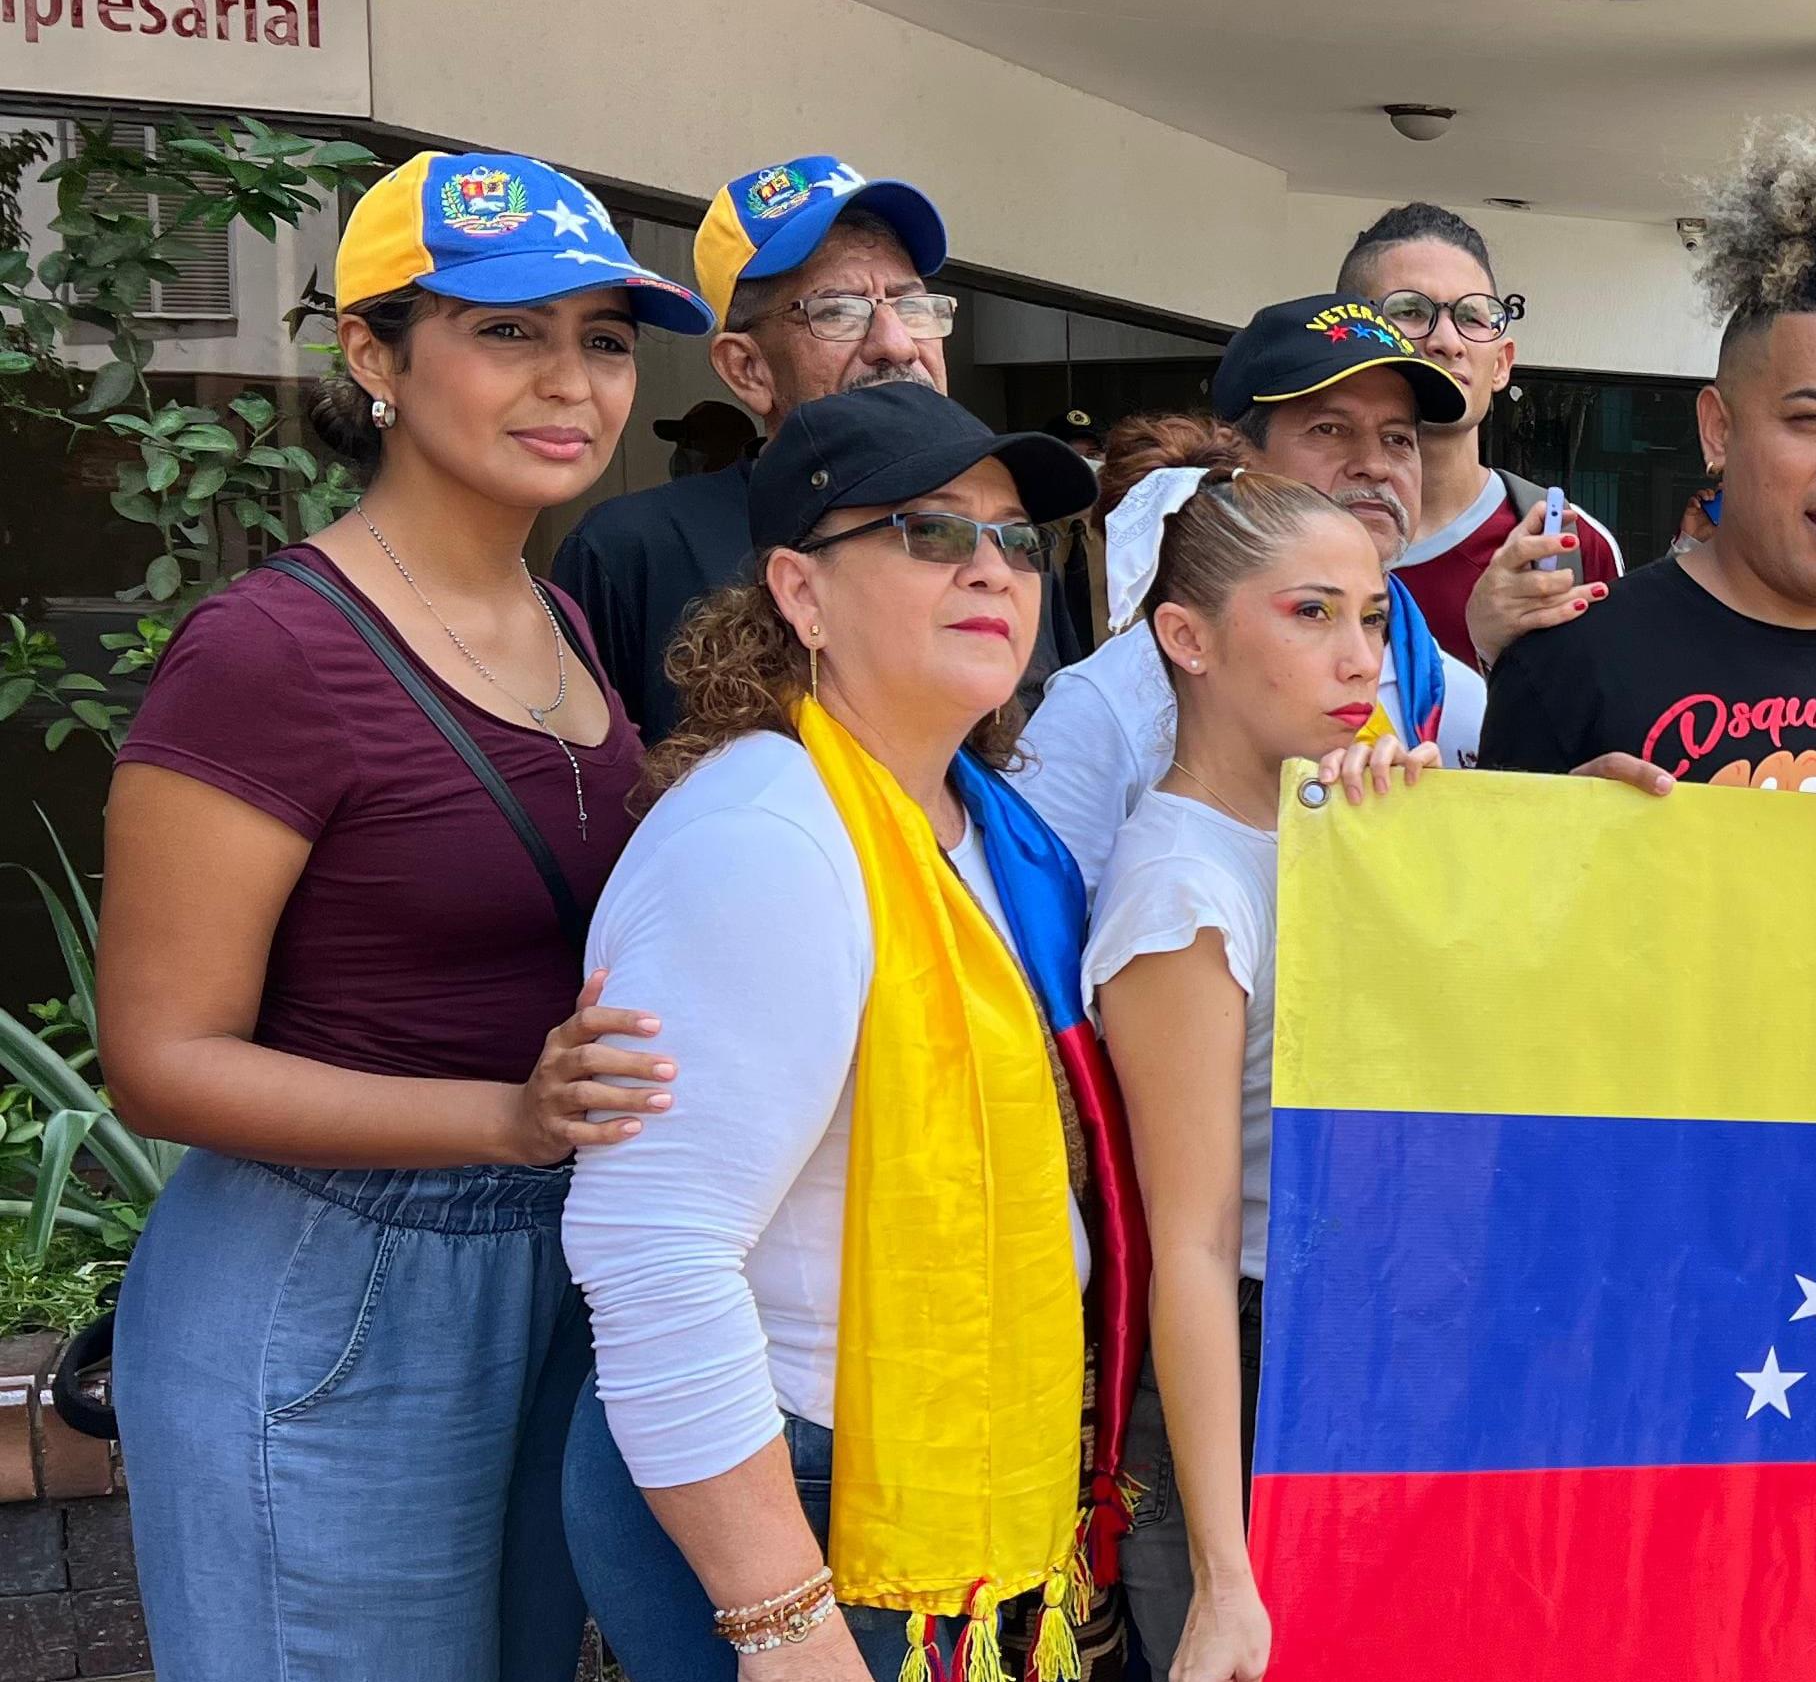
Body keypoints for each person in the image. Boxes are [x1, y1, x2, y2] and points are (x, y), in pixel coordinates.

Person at [97, 150, 704, 1682]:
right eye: (508, 331)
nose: (571, 380)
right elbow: (160, 1059)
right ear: (374, 355)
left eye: (605, 339)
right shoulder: (268, 652)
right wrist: (507, 1117)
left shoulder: (558, 620)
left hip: (542, 1271)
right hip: (326, 1290)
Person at [559, 384, 1124, 1681]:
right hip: (794, 1495)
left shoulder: (991, 831)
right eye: (933, 531)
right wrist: (783, 1621)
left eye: (1016, 540)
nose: (992, 567)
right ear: (800, 594)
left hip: (933, 1461)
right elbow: (654, 1254)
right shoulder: (766, 838)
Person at [1082, 458, 1442, 1680]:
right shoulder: (1180, 886)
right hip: (1244, 1375)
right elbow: (1187, 1242)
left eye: (1374, 617)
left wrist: (1460, 843)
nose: (1361, 659)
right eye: (1311, 613)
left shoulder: (1335, 822)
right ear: (1186, 637)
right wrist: (1225, 1577)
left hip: (1364, 1336)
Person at [1478, 128, 1816, 807]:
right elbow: (1486, 875)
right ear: (1718, 429)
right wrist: (1551, 834)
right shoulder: (1568, 664)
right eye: (1813, 419)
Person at [1011, 297, 1473, 882]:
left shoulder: (1458, 693)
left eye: (1398, 438)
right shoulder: (1105, 703)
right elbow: (1036, 924)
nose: (1374, 465)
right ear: (1241, 456)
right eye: (1330, 429)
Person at [552, 155, 955, 743]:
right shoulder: (634, 549)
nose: (897, 345)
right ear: (748, 369)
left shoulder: (999, 539)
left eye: (912, 306)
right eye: (837, 311)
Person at [1336, 202, 1623, 671]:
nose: (1447, 342)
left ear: (1502, 363)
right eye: (1410, 310)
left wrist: (1501, 658)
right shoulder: (1271, 532)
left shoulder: (1565, 546)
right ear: (1347, 339)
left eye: (1472, 317)